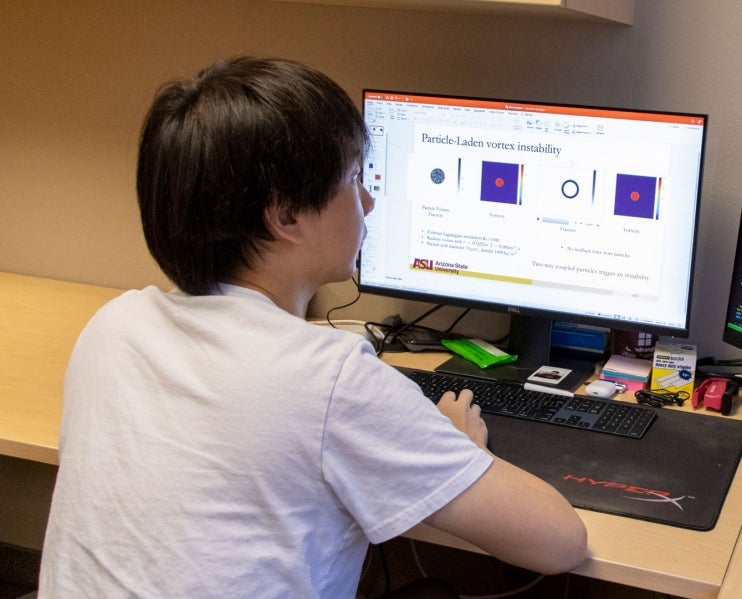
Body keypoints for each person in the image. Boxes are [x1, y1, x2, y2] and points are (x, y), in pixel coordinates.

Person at [39, 56, 587, 598]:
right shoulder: (330, 379)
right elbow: (559, 543)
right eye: (353, 177)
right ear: (286, 216)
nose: (368, 201)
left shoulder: (113, 326)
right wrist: (467, 452)